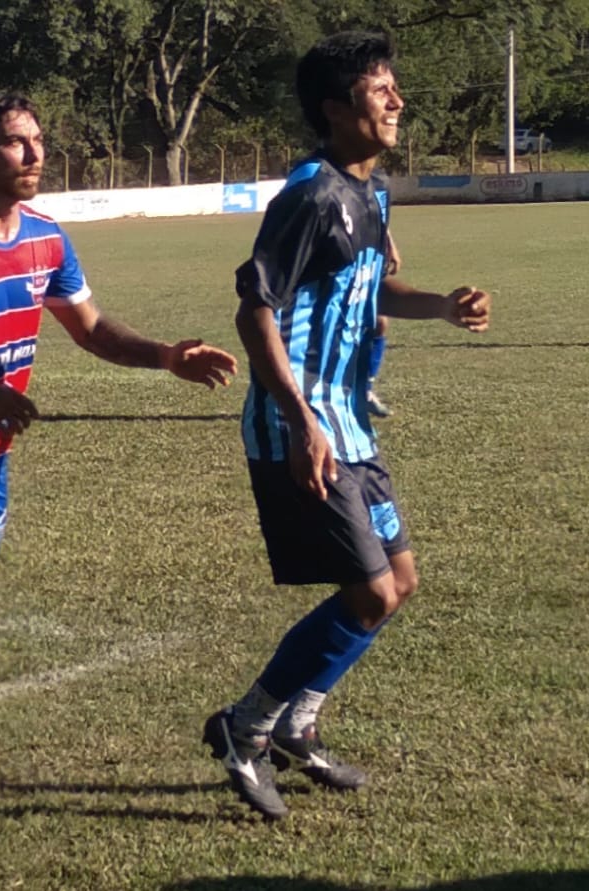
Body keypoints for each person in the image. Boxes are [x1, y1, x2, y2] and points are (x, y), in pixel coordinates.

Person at [0, 93, 238, 818]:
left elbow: (92, 329)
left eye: (37, 139)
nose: (34, 153)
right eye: (15, 142)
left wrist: (166, 355)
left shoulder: (47, 239)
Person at [205, 31, 491, 820]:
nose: (397, 100)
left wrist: (441, 305)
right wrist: (300, 421)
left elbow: (368, 295)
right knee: (368, 590)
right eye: (379, 89)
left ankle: (298, 722)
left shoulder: (371, 193)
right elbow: (254, 311)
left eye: (394, 85)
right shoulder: (311, 197)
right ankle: (245, 725)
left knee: (399, 583)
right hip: (299, 425)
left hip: (351, 425)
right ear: (335, 109)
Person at [367, 232, 401, 418]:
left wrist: (389, 243)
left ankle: (365, 389)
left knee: (380, 321)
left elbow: (379, 217)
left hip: (366, 249)